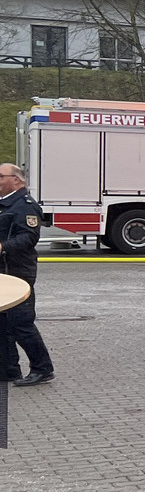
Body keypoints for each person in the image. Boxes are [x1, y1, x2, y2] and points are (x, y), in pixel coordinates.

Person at [1, 163, 52, 387]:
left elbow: (29, 238)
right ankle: (8, 369)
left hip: (18, 272)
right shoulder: (5, 204)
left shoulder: (25, 206)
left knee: (21, 323)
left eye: (1, 176)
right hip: (3, 272)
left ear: (17, 180)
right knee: (2, 322)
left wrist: (2, 247)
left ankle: (42, 368)